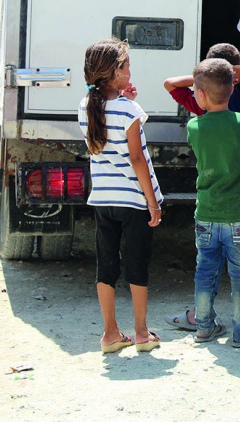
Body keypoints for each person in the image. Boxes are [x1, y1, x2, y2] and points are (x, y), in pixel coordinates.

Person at [163, 43, 240, 321]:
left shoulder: (200, 104)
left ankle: (203, 312)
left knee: (212, 255)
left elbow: (170, 83)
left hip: (215, 188)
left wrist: (205, 77)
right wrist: (235, 73)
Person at [79, 39, 164, 354]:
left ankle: (110, 333)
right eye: (126, 66)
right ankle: (141, 332)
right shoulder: (127, 109)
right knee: (137, 264)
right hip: (133, 197)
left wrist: (124, 98)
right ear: (114, 72)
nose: (130, 71)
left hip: (102, 196)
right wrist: (152, 200)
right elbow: (137, 159)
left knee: (107, 264)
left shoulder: (85, 106)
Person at [183, 57, 240, 347]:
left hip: (206, 212)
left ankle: (204, 326)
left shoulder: (194, 126)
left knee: (205, 270)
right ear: (231, 90)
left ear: (201, 95)